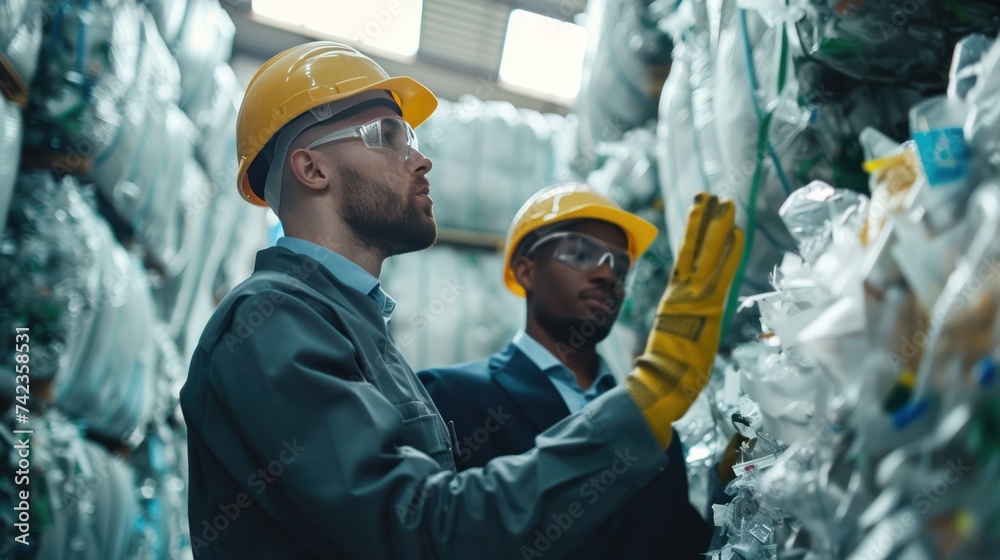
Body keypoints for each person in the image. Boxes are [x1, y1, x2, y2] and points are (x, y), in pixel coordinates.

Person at [179, 40, 744, 560]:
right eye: (387, 135)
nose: (420, 161)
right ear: (311, 167)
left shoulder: (362, 332)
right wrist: (650, 395)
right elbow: (419, 529)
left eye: (415, 140)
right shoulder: (273, 321)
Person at [418, 184, 736, 559]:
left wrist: (728, 486)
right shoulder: (448, 398)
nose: (606, 273)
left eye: (620, 264)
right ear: (526, 270)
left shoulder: (654, 422)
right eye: (581, 253)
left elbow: (677, 546)